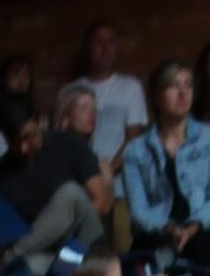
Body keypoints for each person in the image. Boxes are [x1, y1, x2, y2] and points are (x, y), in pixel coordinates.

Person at [122, 60, 210, 266]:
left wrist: (192, 227)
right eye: (174, 86)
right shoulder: (136, 149)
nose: (183, 94)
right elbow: (138, 211)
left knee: (201, 246)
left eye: (188, 85)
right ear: (157, 96)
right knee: (148, 255)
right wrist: (168, 228)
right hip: (158, 231)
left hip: (202, 229)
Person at [0, 95, 109, 273]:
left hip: (80, 241)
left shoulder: (70, 145)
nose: (23, 147)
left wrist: (59, 228)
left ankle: (14, 256)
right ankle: (48, 271)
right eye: (14, 141)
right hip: (42, 253)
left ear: (39, 120)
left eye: (27, 137)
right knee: (28, 267)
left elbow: (102, 202)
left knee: (71, 193)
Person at [59, 20, 148, 171]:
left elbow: (133, 138)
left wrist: (108, 173)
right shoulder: (69, 90)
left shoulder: (131, 87)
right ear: (88, 48)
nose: (106, 49)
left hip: (118, 178)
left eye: (110, 42)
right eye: (98, 42)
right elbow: (60, 137)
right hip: (77, 177)